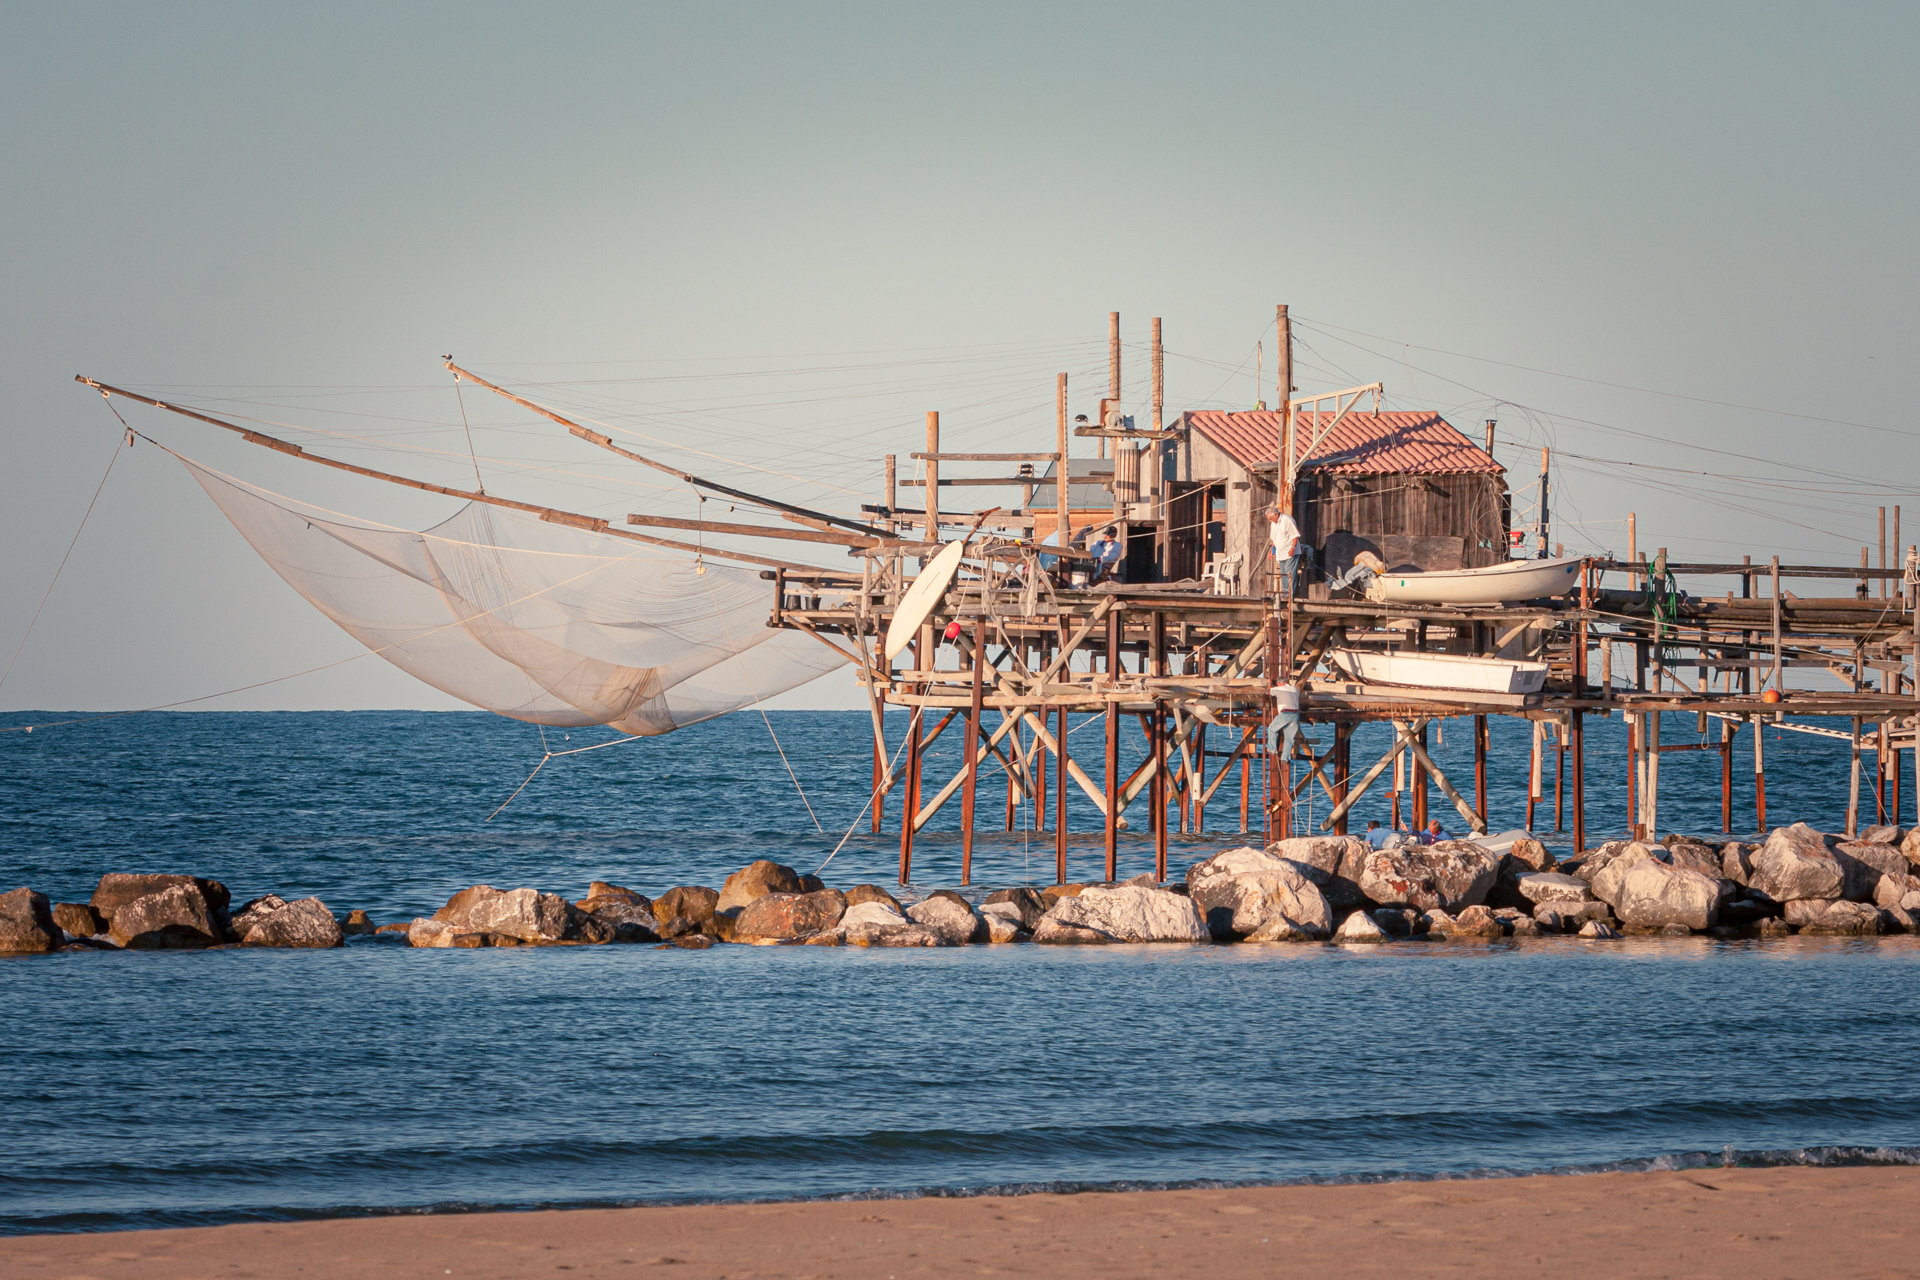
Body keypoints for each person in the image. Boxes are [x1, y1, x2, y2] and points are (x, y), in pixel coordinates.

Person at [1267, 507, 1302, 596]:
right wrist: (1272, 552)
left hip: (1290, 552)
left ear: (1276, 515)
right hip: (1280, 553)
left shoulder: (1287, 520)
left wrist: (1292, 548)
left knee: (1289, 574)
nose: (1270, 521)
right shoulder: (1273, 524)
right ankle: (1285, 594)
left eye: (1271, 519)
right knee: (1283, 575)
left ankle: (1289, 596)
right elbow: (1274, 539)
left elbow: (1295, 535)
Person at [1265, 680, 1301, 765]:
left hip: (1285, 713)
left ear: (1279, 683)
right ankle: (1285, 758)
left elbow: (1268, 692)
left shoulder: (1280, 689)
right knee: (1289, 738)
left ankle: (1272, 749)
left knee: (1272, 729)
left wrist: (1269, 683)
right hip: (1295, 715)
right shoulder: (1295, 689)